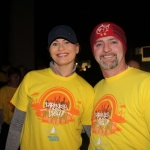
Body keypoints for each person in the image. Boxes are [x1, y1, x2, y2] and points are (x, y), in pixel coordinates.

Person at [5, 25, 94, 150]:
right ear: (49, 50)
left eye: (67, 42)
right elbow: (16, 125)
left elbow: (94, 136)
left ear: (77, 48)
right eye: (55, 43)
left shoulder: (87, 90)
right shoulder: (31, 78)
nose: (61, 48)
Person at [88, 22, 150, 150]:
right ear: (93, 51)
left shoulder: (146, 84)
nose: (106, 49)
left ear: (124, 47)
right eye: (99, 44)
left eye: (113, 42)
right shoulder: (95, 89)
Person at [0, 67, 21, 150]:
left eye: (18, 76)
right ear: (8, 78)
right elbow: (0, 110)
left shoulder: (22, 89)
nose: (16, 78)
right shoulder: (3, 90)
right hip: (7, 125)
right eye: (13, 76)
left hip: (20, 124)